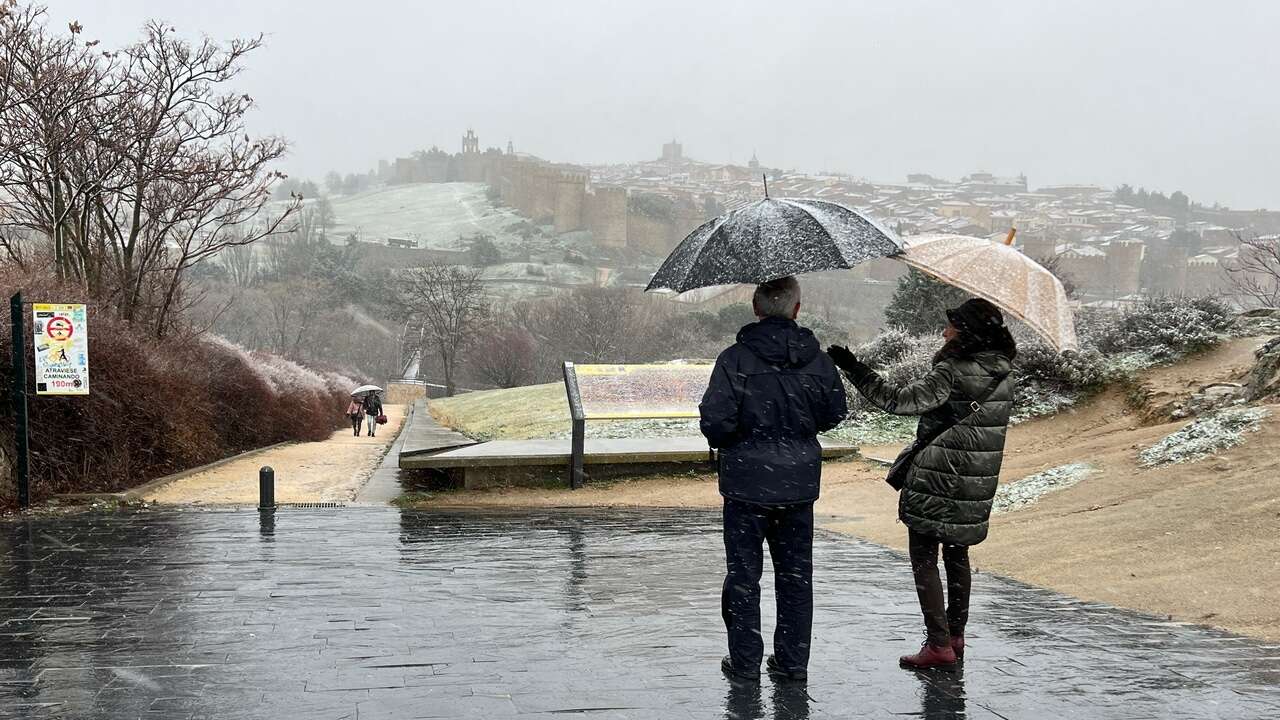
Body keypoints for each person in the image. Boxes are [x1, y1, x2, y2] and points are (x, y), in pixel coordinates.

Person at [827, 298, 1016, 670]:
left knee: (924, 557)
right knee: (957, 554)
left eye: (952, 327)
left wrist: (854, 368)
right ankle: (955, 634)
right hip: (976, 477)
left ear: (968, 334)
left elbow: (898, 401)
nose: (945, 333)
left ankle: (938, 644)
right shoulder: (1003, 371)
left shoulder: (953, 369)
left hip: (938, 475)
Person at [700, 276, 848, 684]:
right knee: (796, 577)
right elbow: (835, 413)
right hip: (799, 485)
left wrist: (741, 436)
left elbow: (716, 422)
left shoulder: (734, 360)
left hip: (746, 485)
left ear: (755, 307)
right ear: (797, 309)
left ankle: (745, 663)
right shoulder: (818, 361)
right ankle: (791, 662)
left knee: (744, 576)